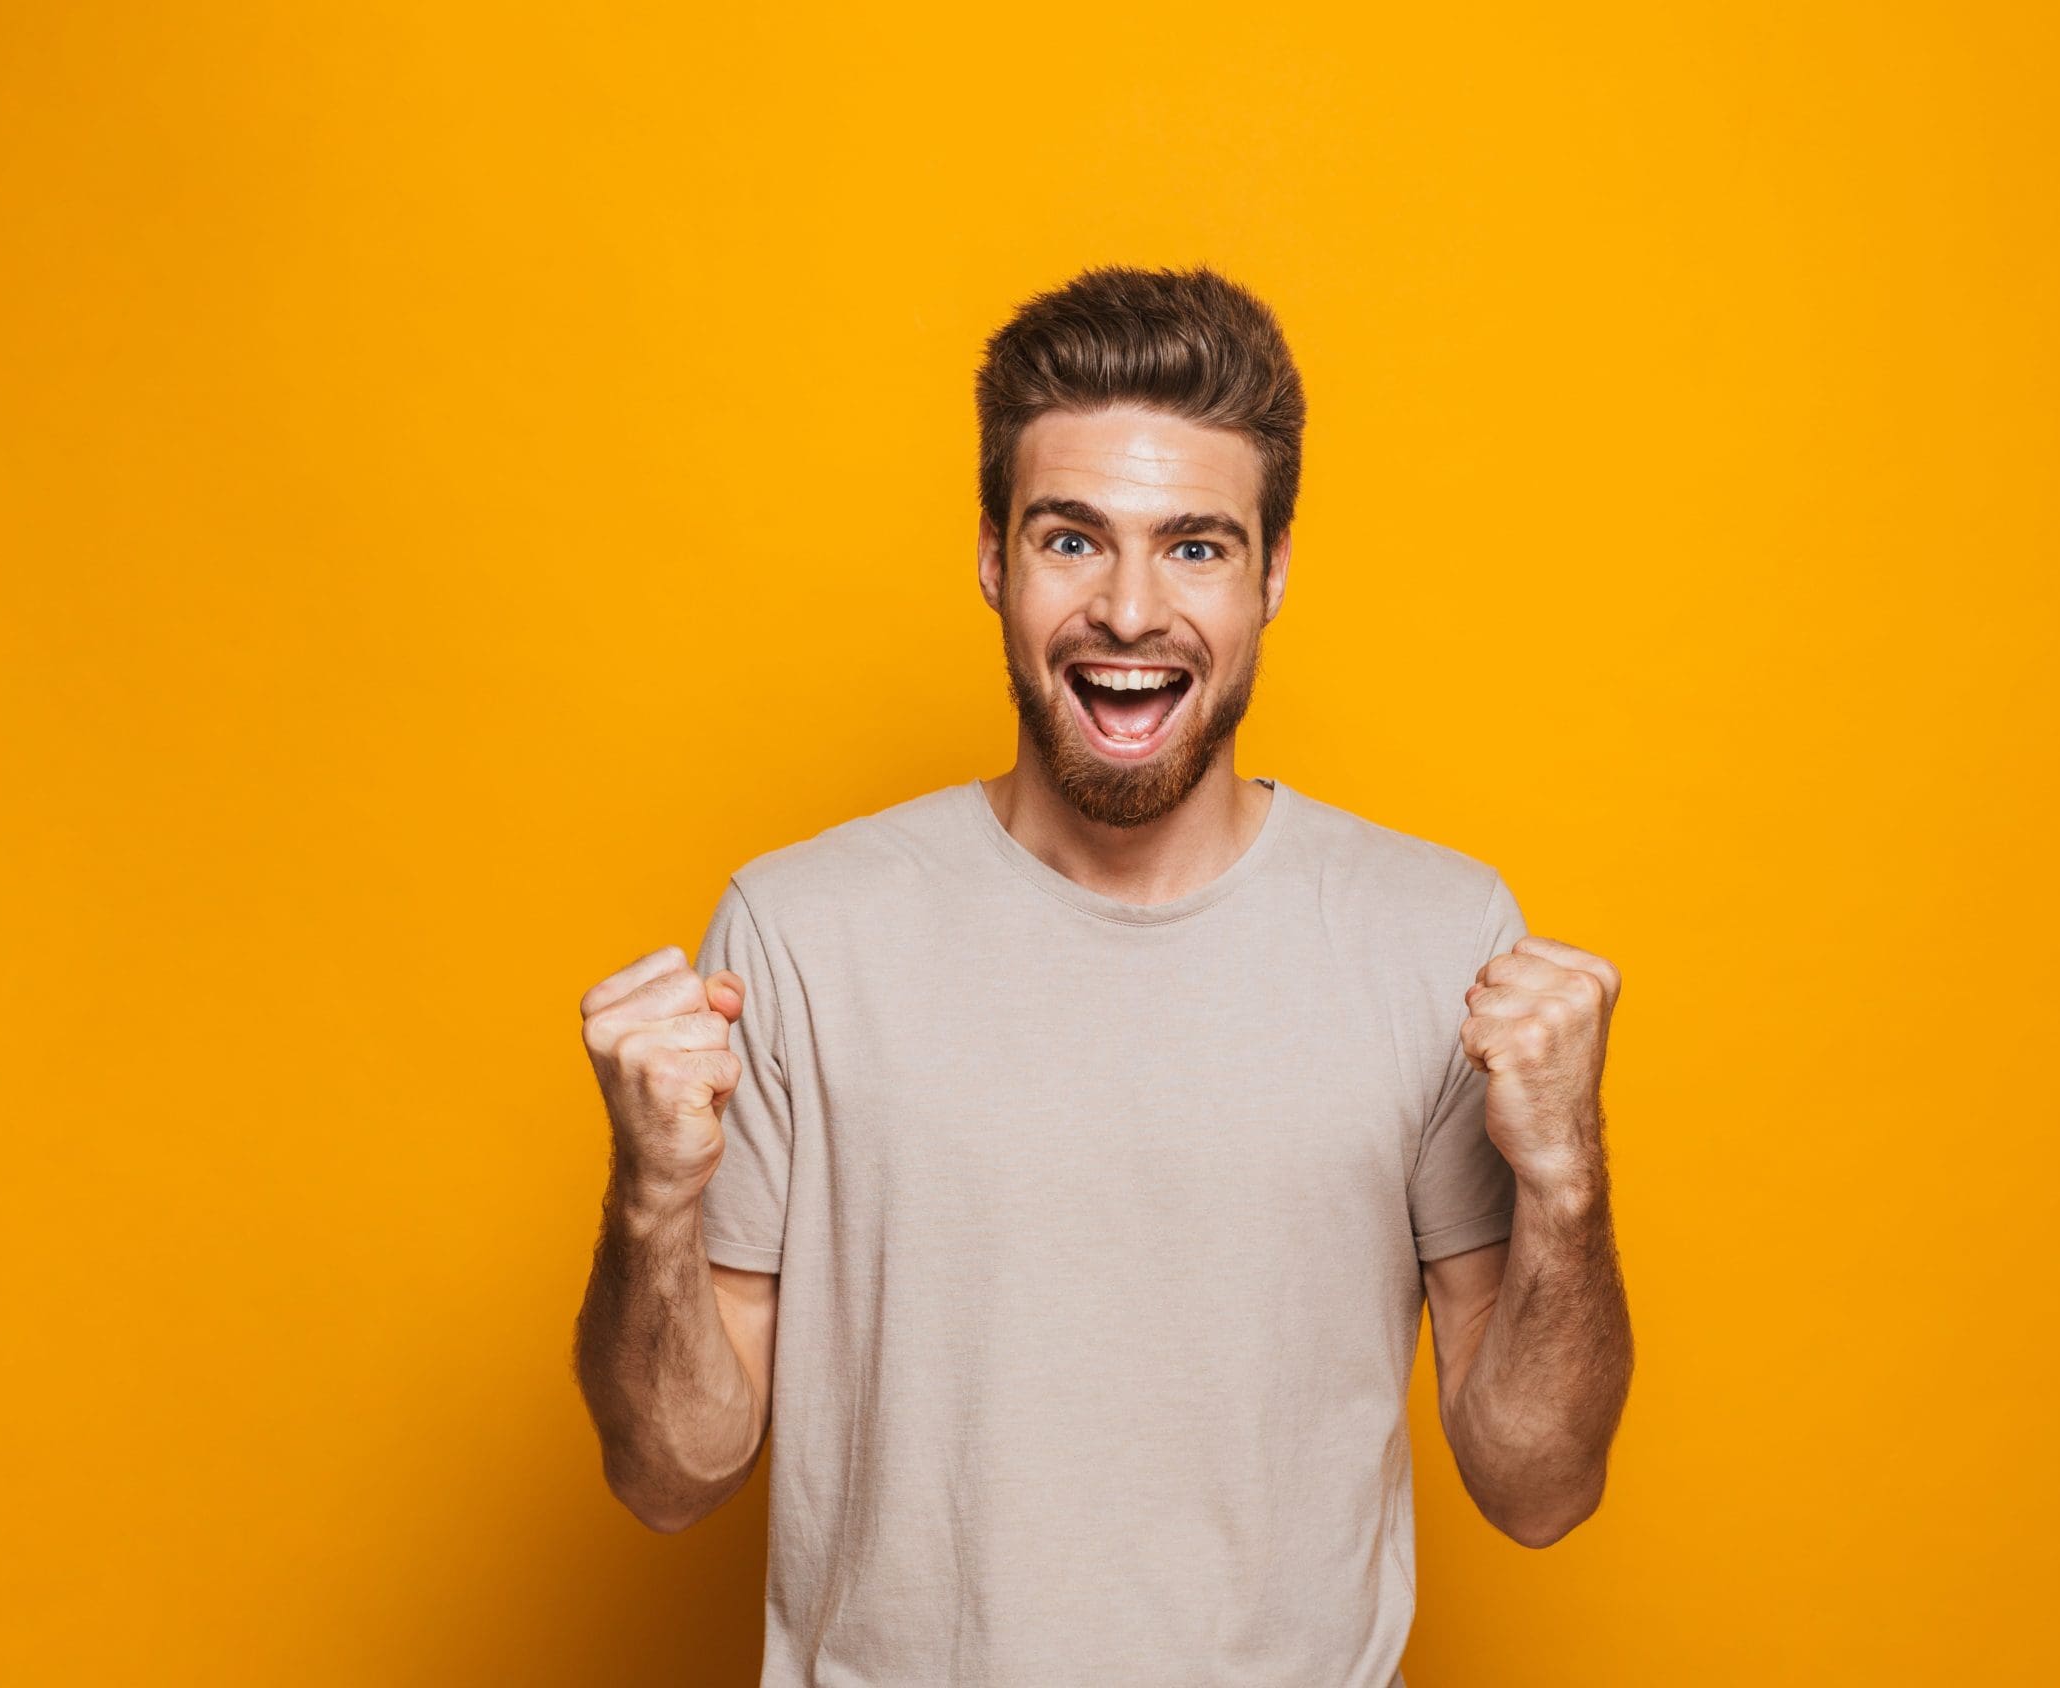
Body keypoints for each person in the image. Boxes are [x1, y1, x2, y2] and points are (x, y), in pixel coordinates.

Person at [572, 264, 1634, 1688]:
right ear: (995, 561)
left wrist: (1566, 1174)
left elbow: (1540, 1487)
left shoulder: (1435, 934)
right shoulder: (800, 934)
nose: (1131, 611)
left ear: (1273, 575)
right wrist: (650, 1197)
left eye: (1195, 548)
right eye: (1074, 540)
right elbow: (670, 1474)